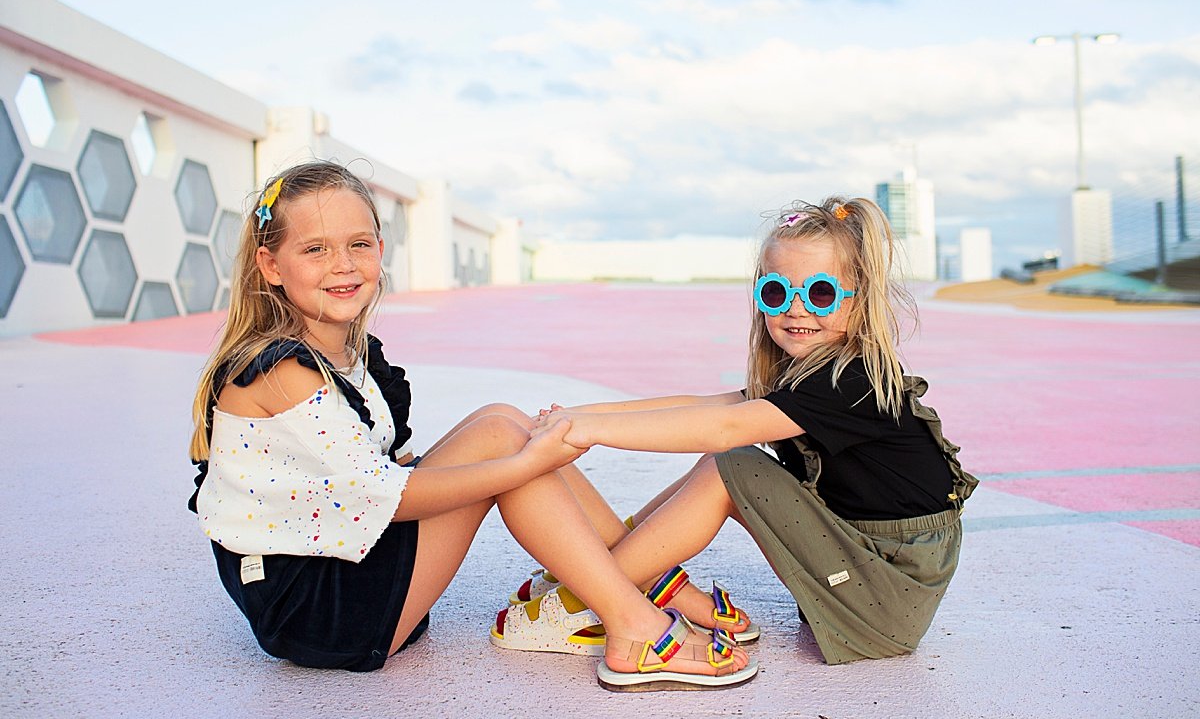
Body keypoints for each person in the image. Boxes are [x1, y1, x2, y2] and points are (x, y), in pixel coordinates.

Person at [185, 160, 756, 690]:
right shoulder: (280, 371)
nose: (343, 264)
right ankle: (632, 622)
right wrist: (522, 466)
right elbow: (389, 496)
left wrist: (516, 458)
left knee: (499, 420)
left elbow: (365, 470)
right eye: (315, 249)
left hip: (349, 567)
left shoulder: (346, 355)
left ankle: (645, 580)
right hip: (320, 611)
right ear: (270, 265)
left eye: (359, 244)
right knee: (507, 445)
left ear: (381, 249)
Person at [531, 197, 977, 665]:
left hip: (887, 600)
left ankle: (584, 601)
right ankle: (610, 572)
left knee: (732, 464)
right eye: (777, 293)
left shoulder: (852, 381)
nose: (797, 309)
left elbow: (724, 428)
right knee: (725, 465)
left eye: (821, 293)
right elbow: (701, 406)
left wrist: (589, 430)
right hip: (864, 571)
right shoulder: (804, 376)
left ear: (859, 300)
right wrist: (579, 414)